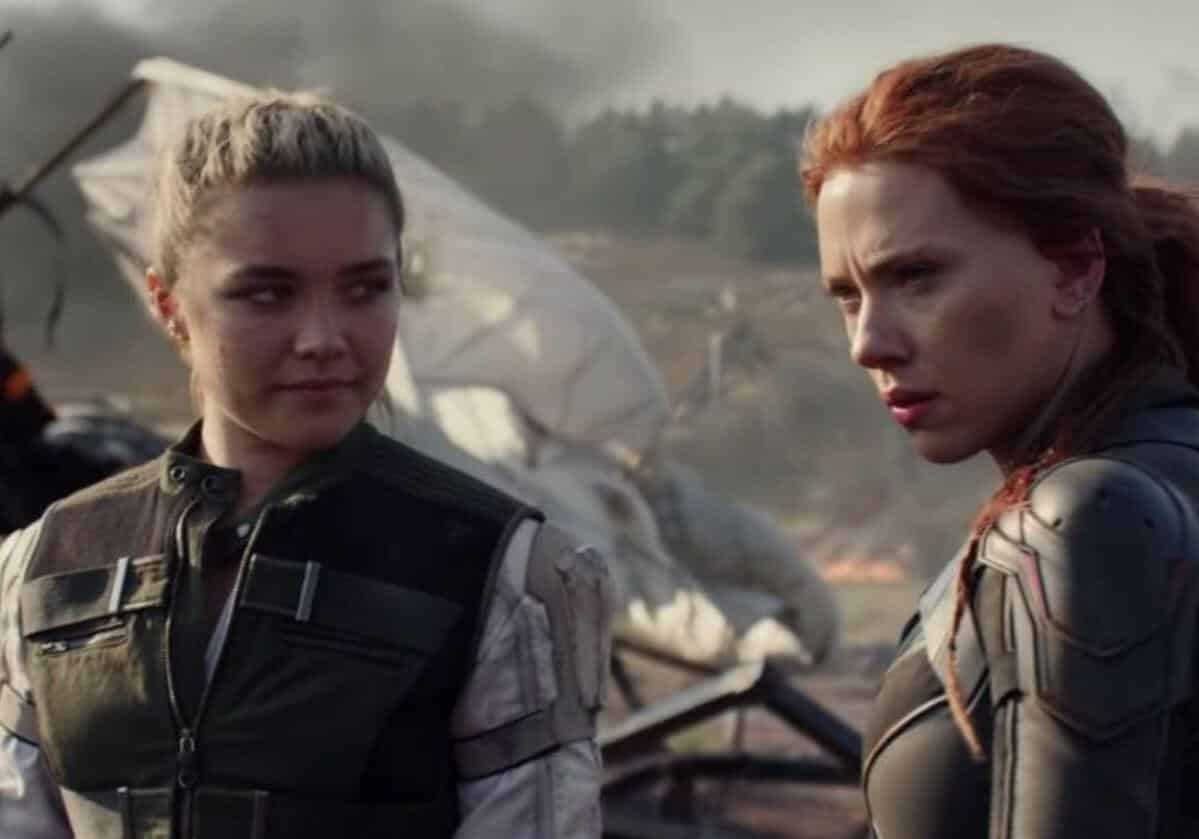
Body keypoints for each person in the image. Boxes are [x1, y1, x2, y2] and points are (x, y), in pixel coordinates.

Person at [0, 89, 609, 838]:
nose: (323, 337)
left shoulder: (501, 576)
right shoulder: (46, 565)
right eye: (267, 294)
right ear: (168, 305)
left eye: (365, 288)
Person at [801, 44, 1199, 838]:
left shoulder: (1086, 518)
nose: (868, 343)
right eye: (848, 295)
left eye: (915, 276)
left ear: (1074, 269)